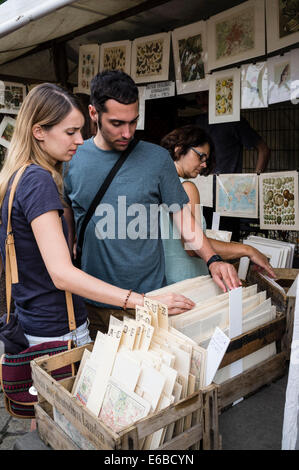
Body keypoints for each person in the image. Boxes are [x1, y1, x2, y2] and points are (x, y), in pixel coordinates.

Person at [0, 83, 196, 349]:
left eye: (80, 131)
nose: (80, 140)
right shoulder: (38, 180)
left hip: (33, 320)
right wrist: (144, 301)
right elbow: (61, 274)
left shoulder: (17, 176)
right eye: (70, 132)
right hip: (58, 328)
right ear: (39, 132)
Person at [64, 70, 242, 337]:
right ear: (93, 114)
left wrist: (213, 259)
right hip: (94, 305)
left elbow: (185, 221)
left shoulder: (157, 159)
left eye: (133, 122)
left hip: (152, 301)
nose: (127, 132)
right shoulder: (71, 160)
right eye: (116, 123)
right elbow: (66, 236)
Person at [160, 125, 276, 285]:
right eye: (201, 156)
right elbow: (192, 246)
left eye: (206, 160)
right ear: (179, 150)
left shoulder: (156, 184)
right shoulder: (186, 187)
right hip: (187, 282)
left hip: (162, 283)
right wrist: (247, 250)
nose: (204, 165)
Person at [195, 90, 271, 241]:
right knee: (203, 243)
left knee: (228, 244)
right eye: (197, 96)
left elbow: (263, 149)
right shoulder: (199, 122)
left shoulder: (234, 121)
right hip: (202, 194)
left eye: (205, 95)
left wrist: (254, 183)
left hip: (230, 196)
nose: (201, 100)